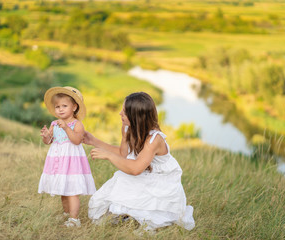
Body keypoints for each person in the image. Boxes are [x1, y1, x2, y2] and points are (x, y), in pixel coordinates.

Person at [84, 92, 195, 232]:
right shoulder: (128, 128)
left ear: (136, 116)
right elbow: (124, 155)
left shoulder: (154, 139)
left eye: (124, 111)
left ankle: (142, 213)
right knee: (120, 182)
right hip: (145, 175)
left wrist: (108, 156)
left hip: (160, 183)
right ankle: (127, 214)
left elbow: (135, 169)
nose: (120, 113)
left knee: (122, 177)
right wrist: (94, 141)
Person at [38, 86, 96, 227]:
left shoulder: (77, 124)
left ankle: (74, 219)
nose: (60, 109)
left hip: (71, 162)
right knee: (63, 189)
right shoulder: (54, 123)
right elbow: (49, 141)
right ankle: (66, 213)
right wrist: (46, 136)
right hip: (58, 160)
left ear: (74, 107)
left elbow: (76, 140)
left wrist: (66, 127)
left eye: (64, 106)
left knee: (72, 191)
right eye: (57, 106)